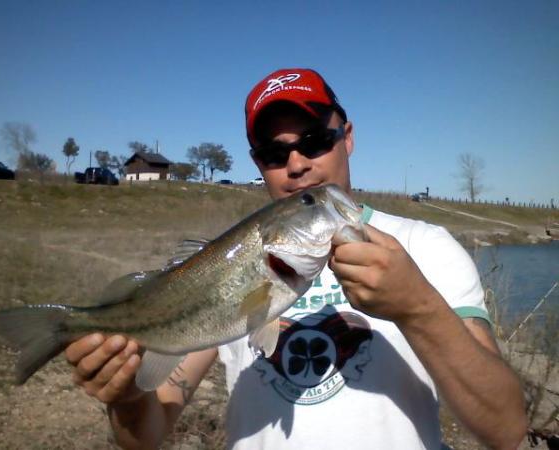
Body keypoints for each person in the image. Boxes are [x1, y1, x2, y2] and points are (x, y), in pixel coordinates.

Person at [65, 68, 527, 449]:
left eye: (314, 140)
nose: (297, 163)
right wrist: (126, 398)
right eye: (273, 152)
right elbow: (144, 435)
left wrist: (418, 308)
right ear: (256, 162)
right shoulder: (222, 266)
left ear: (346, 137)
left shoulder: (427, 246)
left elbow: (506, 430)